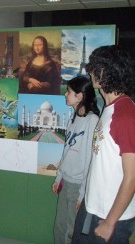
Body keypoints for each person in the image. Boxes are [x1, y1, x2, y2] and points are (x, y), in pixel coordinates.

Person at [72, 45, 135, 243]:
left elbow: (132, 176)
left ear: (107, 71)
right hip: (92, 207)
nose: (90, 71)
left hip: (111, 216)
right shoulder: (108, 108)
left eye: (95, 67)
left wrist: (110, 222)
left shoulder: (125, 114)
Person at [52, 76, 100, 244]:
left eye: (69, 92)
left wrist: (82, 195)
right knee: (60, 226)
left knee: (71, 231)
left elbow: (90, 161)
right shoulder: (74, 119)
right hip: (66, 182)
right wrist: (59, 177)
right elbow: (67, 152)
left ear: (80, 96)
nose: (66, 94)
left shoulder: (92, 121)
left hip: (78, 185)